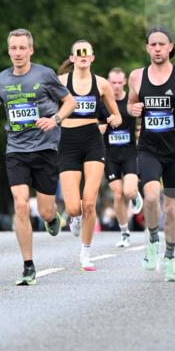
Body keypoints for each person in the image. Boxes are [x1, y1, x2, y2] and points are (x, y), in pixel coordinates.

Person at [0, 27, 77, 286]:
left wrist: (54, 119)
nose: (18, 53)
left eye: (23, 48)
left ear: (31, 50)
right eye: (14, 48)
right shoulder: (0, 79)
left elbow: (70, 103)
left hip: (45, 148)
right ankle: (28, 265)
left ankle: (51, 217)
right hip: (16, 149)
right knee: (21, 204)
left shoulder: (45, 75)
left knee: (44, 210)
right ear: (8, 50)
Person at [128, 26, 175, 282]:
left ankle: (170, 257)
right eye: (153, 44)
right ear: (147, 48)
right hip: (148, 148)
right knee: (150, 196)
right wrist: (134, 109)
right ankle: (152, 238)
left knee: (172, 210)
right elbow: (130, 104)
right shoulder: (137, 77)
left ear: (171, 46)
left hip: (174, 152)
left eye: (162, 44)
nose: (157, 48)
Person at [55, 41, 121, 271]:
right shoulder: (61, 82)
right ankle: (74, 217)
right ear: (72, 58)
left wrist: (114, 120)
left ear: (92, 58)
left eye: (87, 53)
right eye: (78, 53)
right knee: (74, 207)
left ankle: (85, 253)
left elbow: (117, 115)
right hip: (67, 142)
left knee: (90, 202)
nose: (83, 56)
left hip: (93, 141)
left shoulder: (102, 84)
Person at [99, 67, 143, 248]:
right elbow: (93, 122)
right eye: (113, 82)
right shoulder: (102, 103)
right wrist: (99, 127)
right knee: (117, 194)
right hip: (110, 155)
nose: (116, 86)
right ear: (108, 82)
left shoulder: (131, 101)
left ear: (124, 82)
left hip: (130, 153)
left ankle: (135, 196)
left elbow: (143, 117)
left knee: (129, 192)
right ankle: (124, 233)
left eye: (119, 83)